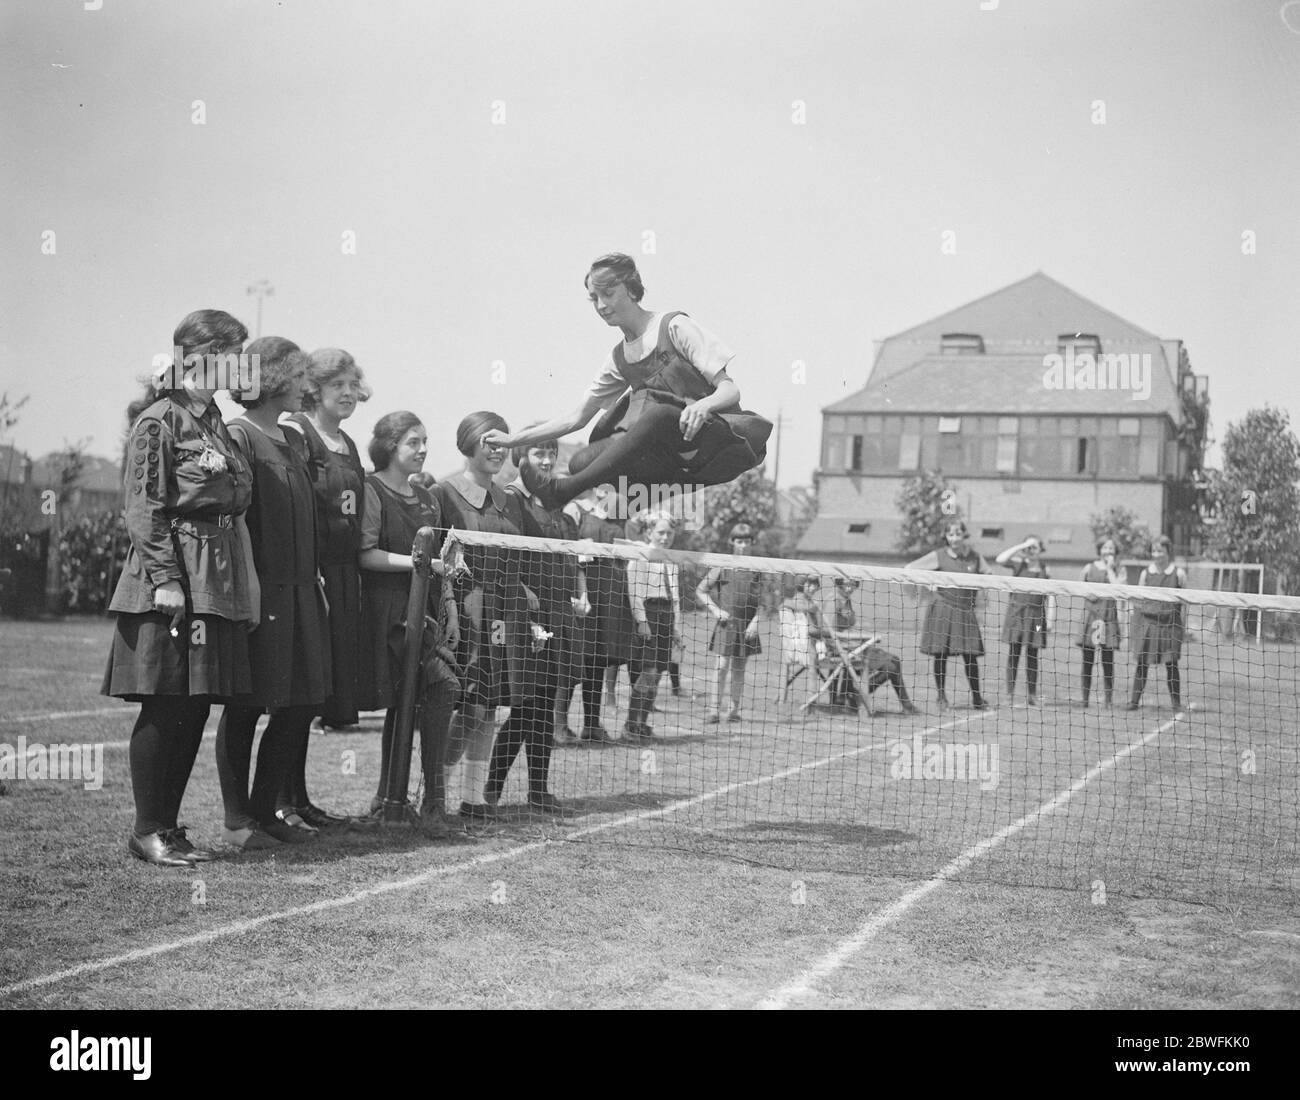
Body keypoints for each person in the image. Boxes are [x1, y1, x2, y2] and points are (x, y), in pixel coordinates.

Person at [103, 309, 257, 866]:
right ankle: (147, 830)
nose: (242, 365)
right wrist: (167, 580)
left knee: (193, 706)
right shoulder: (159, 421)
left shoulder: (214, 420)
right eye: (232, 354)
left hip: (214, 579)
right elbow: (143, 510)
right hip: (171, 576)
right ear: (197, 358)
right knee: (165, 702)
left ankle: (168, 827)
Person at [481, 253, 772, 510]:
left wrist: (704, 406)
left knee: (659, 414)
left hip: (717, 441)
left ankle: (564, 491)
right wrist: (512, 440)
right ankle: (636, 501)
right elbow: (575, 419)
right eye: (594, 298)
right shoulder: (618, 358)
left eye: (608, 293)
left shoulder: (674, 326)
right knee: (580, 463)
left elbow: (730, 390)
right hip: (674, 458)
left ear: (631, 289)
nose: (601, 305)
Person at [217, 337, 331, 851]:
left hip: (304, 591)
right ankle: (238, 821)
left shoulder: (291, 439)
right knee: (247, 705)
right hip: (263, 592)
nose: (308, 386)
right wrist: (253, 591)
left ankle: (267, 810)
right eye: (300, 375)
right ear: (274, 378)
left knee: (302, 701)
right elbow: (234, 521)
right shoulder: (237, 435)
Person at [435, 412, 542, 823]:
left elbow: (528, 552)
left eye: (503, 442)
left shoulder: (512, 499)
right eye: (488, 442)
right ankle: (437, 789)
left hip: (506, 611)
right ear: (468, 443)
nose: (497, 450)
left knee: (491, 706)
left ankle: (473, 798)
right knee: (471, 707)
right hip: (464, 610)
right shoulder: (443, 491)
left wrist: (525, 592)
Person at [357, 411, 460, 838]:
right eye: (411, 443)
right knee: (437, 688)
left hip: (429, 609)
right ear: (389, 446)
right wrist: (420, 564)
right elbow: (365, 554)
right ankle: (417, 801)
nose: (421, 450)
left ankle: (401, 800)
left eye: (424, 442)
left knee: (416, 698)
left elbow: (444, 560)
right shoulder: (371, 489)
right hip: (389, 611)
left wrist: (449, 602)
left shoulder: (429, 498)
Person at [281, 347, 368, 831]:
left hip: (342, 575)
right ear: (315, 387)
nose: (349, 394)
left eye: (354, 386)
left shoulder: (349, 443)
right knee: (296, 692)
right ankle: (279, 800)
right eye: (339, 386)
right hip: (306, 574)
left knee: (318, 693)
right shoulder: (297, 432)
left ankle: (300, 798)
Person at [483, 436, 581, 813]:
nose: (548, 459)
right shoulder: (511, 499)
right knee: (525, 707)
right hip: (526, 617)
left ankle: (538, 790)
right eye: (539, 452)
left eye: (552, 452)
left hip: (558, 615)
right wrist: (525, 598)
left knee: (544, 709)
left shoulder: (554, 503)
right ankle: (491, 788)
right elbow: (506, 557)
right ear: (519, 456)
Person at [564, 484, 637, 742]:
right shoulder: (577, 511)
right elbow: (570, 554)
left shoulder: (622, 517)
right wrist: (579, 594)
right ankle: (559, 725)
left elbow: (629, 556)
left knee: (597, 661)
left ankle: (592, 725)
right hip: (584, 595)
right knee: (574, 660)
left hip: (612, 599)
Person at [907, 521, 991, 710]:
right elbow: (911, 568)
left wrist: (981, 599)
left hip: (965, 611)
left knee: (970, 656)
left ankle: (977, 698)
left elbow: (989, 574)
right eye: (950, 534)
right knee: (941, 654)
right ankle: (941, 697)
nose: (954, 538)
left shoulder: (975, 557)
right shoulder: (938, 556)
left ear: (964, 535)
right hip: (943, 609)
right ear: (946, 536)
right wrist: (928, 585)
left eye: (958, 533)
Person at [696, 522, 766, 723]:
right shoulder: (723, 566)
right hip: (727, 625)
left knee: (739, 669)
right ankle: (713, 711)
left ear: (752, 542)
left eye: (746, 541)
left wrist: (755, 621)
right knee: (720, 667)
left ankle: (734, 711)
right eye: (739, 541)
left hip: (747, 627)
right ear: (732, 541)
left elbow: (765, 600)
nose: (743, 545)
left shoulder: (758, 568)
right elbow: (701, 590)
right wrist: (715, 610)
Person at [622, 510, 680, 743]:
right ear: (649, 532)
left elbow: (675, 594)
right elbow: (634, 591)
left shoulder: (672, 559)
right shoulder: (641, 555)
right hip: (650, 613)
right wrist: (642, 621)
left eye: (669, 533)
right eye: (661, 532)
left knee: (658, 674)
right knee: (648, 672)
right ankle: (630, 724)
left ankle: (642, 723)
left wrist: (676, 627)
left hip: (667, 616)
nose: (665, 538)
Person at [1126, 534, 1187, 713]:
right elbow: (1138, 599)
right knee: (1142, 663)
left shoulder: (1179, 573)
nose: (1156, 554)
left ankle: (1176, 703)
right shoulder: (1146, 573)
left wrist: (1182, 626)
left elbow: (1184, 602)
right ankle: (1134, 702)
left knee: (1171, 663)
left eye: (1160, 550)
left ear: (1168, 552)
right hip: (1149, 624)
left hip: (1170, 625)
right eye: (1154, 550)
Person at [994, 536, 1054, 707]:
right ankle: (1009, 695)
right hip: (1017, 615)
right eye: (1028, 547)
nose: (1030, 549)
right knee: (1014, 653)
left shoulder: (1045, 569)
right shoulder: (1017, 563)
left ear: (1040, 549)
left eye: (1034, 546)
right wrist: (1022, 545)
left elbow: (1051, 595)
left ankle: (1032, 695)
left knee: (1033, 655)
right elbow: (1000, 559)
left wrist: (1050, 619)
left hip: (1036, 617)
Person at [1077, 537, 1123, 708]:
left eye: (1111, 548)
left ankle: (1108, 701)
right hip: (1091, 618)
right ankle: (1084, 700)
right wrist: (1089, 594)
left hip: (1109, 618)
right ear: (1099, 549)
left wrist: (1110, 570)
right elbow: (1079, 587)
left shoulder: (1119, 569)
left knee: (1108, 660)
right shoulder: (1089, 568)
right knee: (1087, 660)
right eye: (1105, 548)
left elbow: (1119, 588)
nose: (1108, 551)